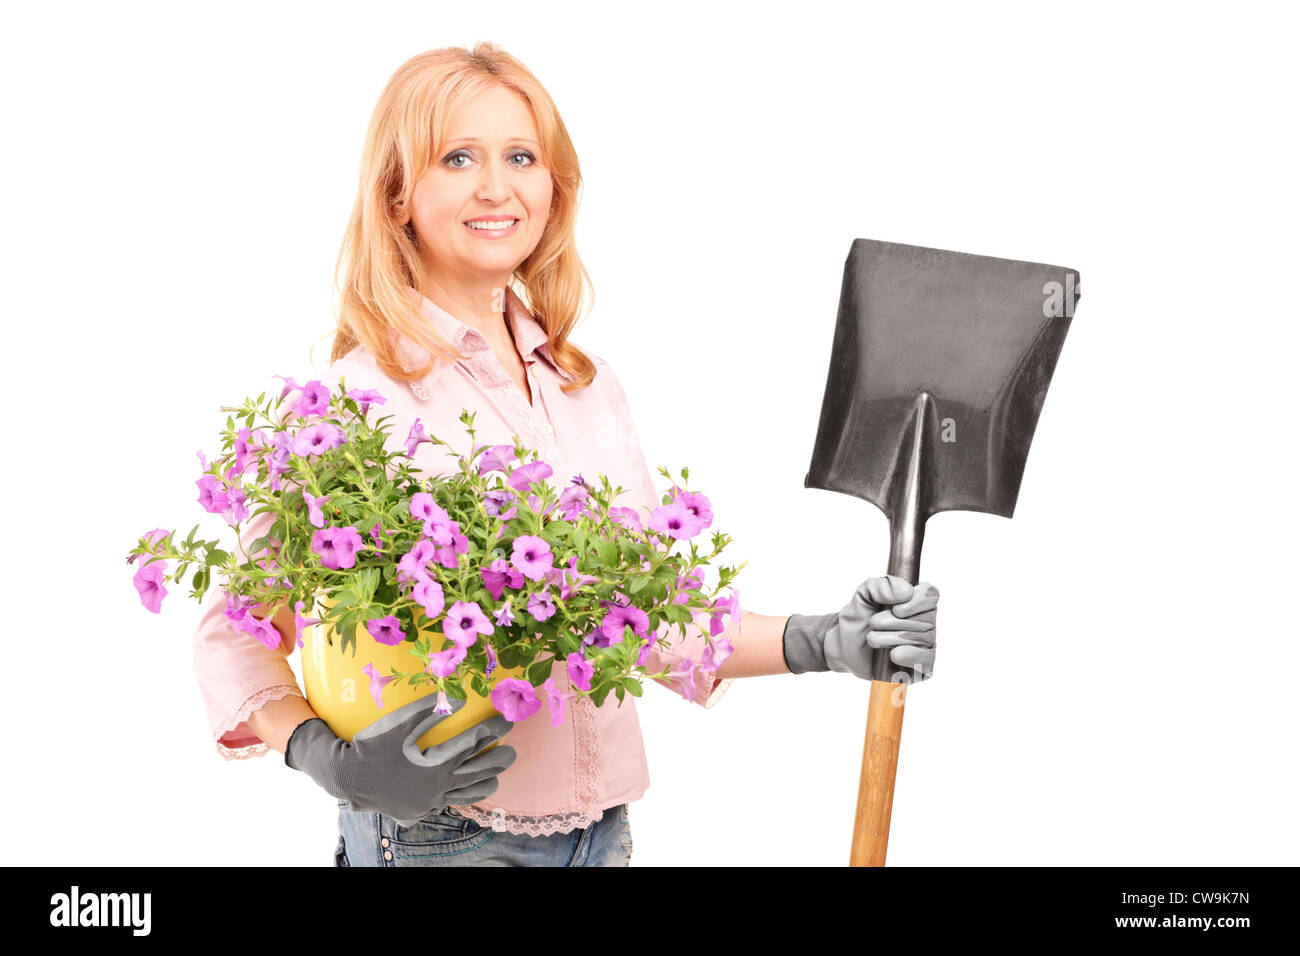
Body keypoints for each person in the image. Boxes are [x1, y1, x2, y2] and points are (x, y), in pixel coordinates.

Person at [191, 42, 940, 868]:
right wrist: (324, 757)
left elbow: (640, 617)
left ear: (555, 187)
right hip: (443, 836)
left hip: (602, 834)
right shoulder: (355, 400)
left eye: (521, 156)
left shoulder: (586, 386)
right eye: (458, 158)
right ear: (399, 195)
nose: (496, 187)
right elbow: (241, 629)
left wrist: (822, 639)